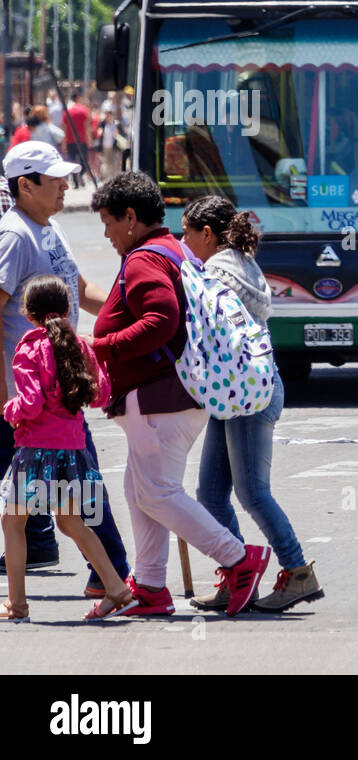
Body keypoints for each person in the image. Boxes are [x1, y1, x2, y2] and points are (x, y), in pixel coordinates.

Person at [90, 172, 271, 616]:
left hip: (159, 400)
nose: (107, 234)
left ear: (131, 218)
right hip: (168, 398)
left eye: (110, 223)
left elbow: (162, 318)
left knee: (157, 492)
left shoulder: (142, 260)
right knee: (140, 490)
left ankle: (238, 559)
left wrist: (102, 346)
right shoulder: (173, 249)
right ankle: (151, 586)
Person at [0, 141, 130, 596]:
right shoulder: (15, 236)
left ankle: (107, 573)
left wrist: (130, 315)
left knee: (77, 486)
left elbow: (81, 289)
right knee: (75, 487)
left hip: (55, 392)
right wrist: (6, 395)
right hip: (25, 394)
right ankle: (111, 574)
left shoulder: (51, 229)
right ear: (25, 185)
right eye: (53, 179)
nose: (64, 185)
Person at [181, 195, 323, 612]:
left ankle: (298, 572)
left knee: (253, 493)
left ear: (206, 234)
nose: (182, 241)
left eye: (187, 233)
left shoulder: (215, 273)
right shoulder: (241, 262)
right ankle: (236, 572)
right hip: (240, 390)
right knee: (210, 493)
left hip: (246, 393)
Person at [1, 276, 132, 620]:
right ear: (68, 308)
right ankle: (117, 588)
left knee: (13, 522)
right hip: (74, 451)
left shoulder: (29, 349)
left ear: (28, 314)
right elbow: (101, 394)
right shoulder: (78, 346)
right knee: (72, 523)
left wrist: (9, 410)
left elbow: (29, 404)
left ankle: (17, 604)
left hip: (36, 451)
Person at [62, 90, 94, 188]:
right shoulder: (83, 110)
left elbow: (64, 127)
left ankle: (75, 181)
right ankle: (81, 174)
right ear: (78, 98)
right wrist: (89, 139)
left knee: (72, 160)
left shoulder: (67, 111)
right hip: (82, 140)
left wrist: (64, 143)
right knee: (84, 160)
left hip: (70, 140)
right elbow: (86, 126)